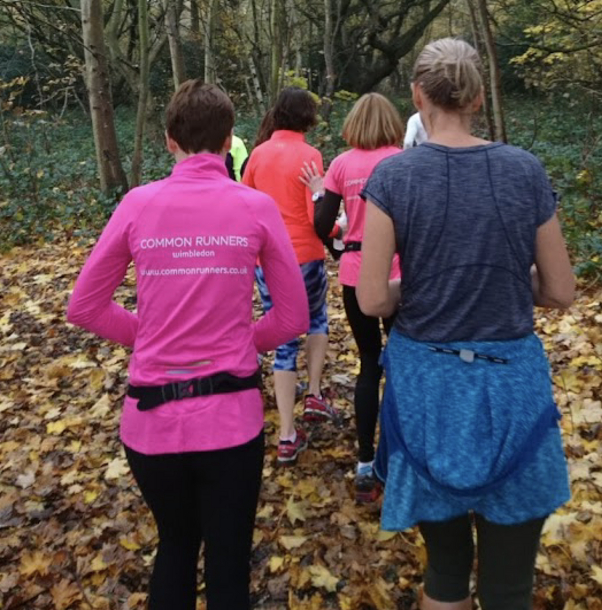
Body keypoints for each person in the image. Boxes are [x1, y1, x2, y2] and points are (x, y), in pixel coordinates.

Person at [67, 79, 308, 610]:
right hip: (232, 420)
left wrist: (150, 338)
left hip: (150, 423)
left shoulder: (138, 203)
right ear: (229, 142)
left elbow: (84, 306)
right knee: (227, 566)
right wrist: (244, 343)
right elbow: (293, 316)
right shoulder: (255, 207)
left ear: (169, 140)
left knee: (174, 548)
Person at [357, 39, 575, 610]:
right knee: (510, 587)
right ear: (478, 96)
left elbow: (373, 298)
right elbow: (560, 290)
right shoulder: (524, 170)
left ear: (417, 96)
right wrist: (502, 277)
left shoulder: (394, 178)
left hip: (427, 388)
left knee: (445, 574)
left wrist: (423, 285)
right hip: (512, 388)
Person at [299, 93, 403, 502]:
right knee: (403, 363)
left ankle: (364, 462)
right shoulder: (403, 160)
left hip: (357, 274)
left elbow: (323, 224)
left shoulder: (342, 164)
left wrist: (319, 196)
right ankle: (400, 455)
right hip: (400, 273)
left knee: (368, 364)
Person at [242, 87, 336, 465]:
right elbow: (319, 213)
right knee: (316, 319)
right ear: (307, 118)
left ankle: (285, 434)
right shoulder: (311, 155)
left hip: (269, 260)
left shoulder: (258, 155)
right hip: (307, 254)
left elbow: (244, 203)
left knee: (283, 339)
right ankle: (312, 391)